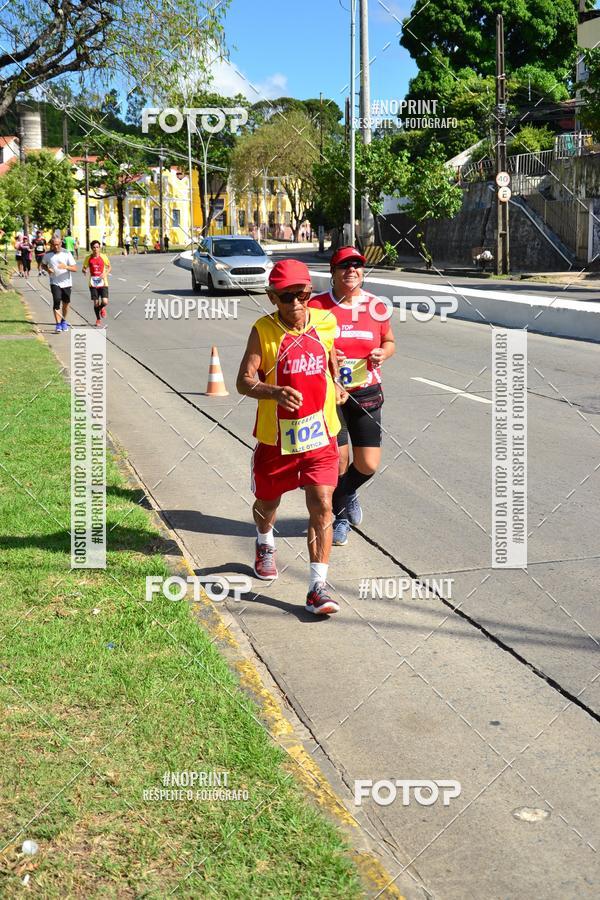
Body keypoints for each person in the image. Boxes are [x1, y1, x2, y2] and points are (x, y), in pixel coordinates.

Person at [236, 258, 348, 616]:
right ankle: (265, 541)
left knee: (323, 505)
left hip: (320, 436)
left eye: (302, 295)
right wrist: (274, 392)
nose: (297, 304)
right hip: (276, 441)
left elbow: (330, 360)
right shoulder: (263, 330)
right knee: (267, 505)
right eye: (287, 298)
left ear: (310, 292)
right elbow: (244, 381)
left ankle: (317, 587)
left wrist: (338, 384)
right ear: (272, 297)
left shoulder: (326, 322)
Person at [310, 246, 396, 546]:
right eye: (344, 266)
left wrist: (382, 353)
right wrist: (329, 356)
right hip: (330, 396)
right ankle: (342, 517)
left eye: (357, 266)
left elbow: (389, 340)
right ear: (332, 272)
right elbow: (303, 344)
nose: (351, 271)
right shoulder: (317, 307)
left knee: (368, 464)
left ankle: (345, 493)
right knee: (339, 462)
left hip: (367, 393)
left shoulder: (376, 307)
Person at [42, 234, 77, 333]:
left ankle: (63, 321)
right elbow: (43, 265)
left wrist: (65, 267)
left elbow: (74, 268)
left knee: (65, 304)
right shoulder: (48, 254)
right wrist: (47, 269)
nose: (56, 246)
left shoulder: (67, 253)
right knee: (57, 300)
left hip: (66, 283)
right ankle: (57, 324)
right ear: (51, 244)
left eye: (58, 244)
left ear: (61, 243)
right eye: (54, 245)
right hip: (54, 282)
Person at [82, 239, 111, 327]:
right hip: (93, 283)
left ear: (100, 248)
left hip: (103, 282)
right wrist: (84, 270)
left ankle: (102, 308)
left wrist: (105, 273)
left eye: (97, 247)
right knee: (96, 303)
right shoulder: (88, 258)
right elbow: (84, 267)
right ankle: (98, 319)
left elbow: (109, 267)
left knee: (105, 302)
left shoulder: (104, 257)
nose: (95, 249)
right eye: (94, 247)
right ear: (91, 248)